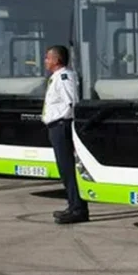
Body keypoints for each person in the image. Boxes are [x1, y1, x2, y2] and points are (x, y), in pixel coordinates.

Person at [42, 45, 88, 224]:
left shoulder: (64, 77)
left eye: (48, 58)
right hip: (55, 126)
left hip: (63, 126)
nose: (45, 61)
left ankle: (78, 209)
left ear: (57, 60)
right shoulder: (55, 78)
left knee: (68, 169)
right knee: (64, 169)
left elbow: (72, 103)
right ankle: (72, 204)